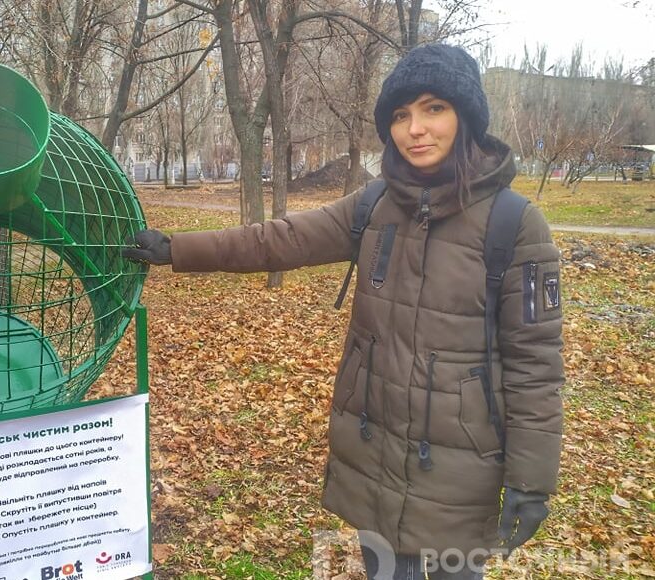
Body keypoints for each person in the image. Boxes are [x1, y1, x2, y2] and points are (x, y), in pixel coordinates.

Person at [123, 43, 564, 580]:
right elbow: (277, 241)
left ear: (465, 117)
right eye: (400, 115)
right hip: (373, 450)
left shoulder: (514, 225)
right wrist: (177, 249)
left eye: (433, 109)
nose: (414, 129)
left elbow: (536, 367)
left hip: (460, 465)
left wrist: (530, 481)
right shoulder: (374, 204)